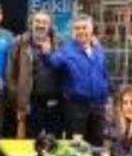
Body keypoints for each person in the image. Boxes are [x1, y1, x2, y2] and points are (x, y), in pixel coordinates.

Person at [46, 14, 110, 147]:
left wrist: (108, 96)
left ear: (91, 30)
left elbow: (104, 73)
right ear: (73, 32)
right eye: (77, 28)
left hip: (98, 106)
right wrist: (46, 53)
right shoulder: (66, 50)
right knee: (77, 146)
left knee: (98, 143)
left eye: (84, 28)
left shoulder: (98, 50)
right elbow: (53, 63)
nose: (81, 31)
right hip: (76, 107)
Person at [7, 9, 64, 139]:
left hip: (55, 104)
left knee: (53, 142)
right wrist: (17, 101)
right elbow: (11, 74)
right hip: (31, 104)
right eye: (37, 21)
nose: (41, 25)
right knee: (30, 142)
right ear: (30, 23)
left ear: (50, 26)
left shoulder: (59, 44)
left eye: (45, 22)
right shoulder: (20, 43)